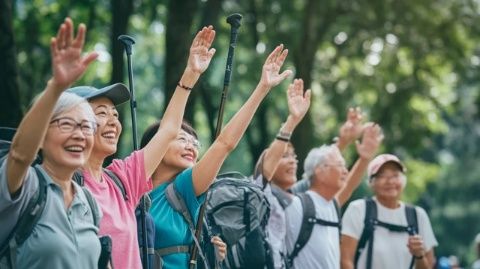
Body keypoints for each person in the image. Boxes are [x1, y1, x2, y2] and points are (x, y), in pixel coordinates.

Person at [67, 26, 217, 269]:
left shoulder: (122, 180)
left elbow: (168, 130)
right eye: (101, 113)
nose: (113, 121)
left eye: (115, 114)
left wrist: (190, 76)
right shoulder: (60, 185)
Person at [140, 44, 292, 268]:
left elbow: (224, 143)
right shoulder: (131, 190)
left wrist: (262, 88)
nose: (191, 146)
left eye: (195, 142)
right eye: (182, 139)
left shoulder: (184, 188)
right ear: (157, 144)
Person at [0, 18, 100, 268]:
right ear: (41, 139)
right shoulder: (25, 188)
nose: (79, 134)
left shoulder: (88, 202)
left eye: (86, 126)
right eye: (66, 124)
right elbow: (20, 155)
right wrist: (56, 87)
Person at [284, 123, 383, 269]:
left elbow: (349, 186)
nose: (345, 171)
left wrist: (365, 158)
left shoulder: (331, 205)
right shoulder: (297, 205)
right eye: (340, 165)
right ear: (319, 171)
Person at [251, 78, 311, 269]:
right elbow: (268, 163)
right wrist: (292, 121)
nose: (293, 160)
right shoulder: (260, 191)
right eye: (285, 156)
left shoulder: (295, 196)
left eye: (294, 156)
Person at [340, 154, 438, 269]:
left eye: (395, 175)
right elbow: (345, 260)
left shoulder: (417, 215)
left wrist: (419, 255)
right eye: (382, 176)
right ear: (371, 182)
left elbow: (429, 264)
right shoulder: (359, 209)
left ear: (403, 180)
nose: (390, 181)